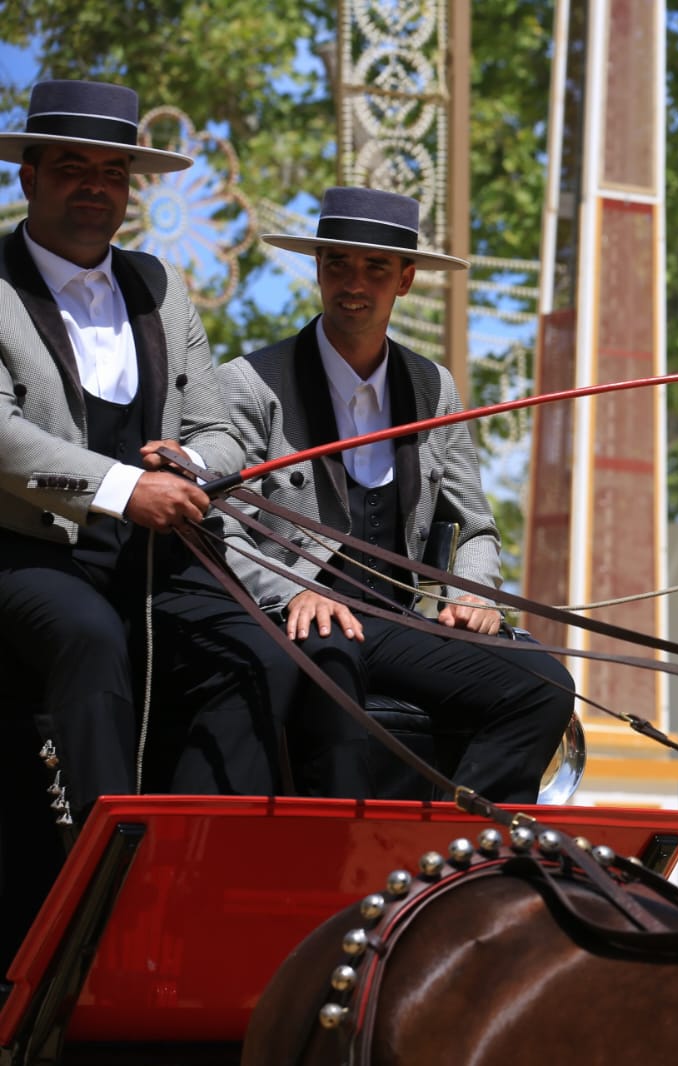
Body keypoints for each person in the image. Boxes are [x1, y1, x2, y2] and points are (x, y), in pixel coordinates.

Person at [0, 80, 298, 962]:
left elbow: (216, 426)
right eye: (72, 168)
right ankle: (101, 910)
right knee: (90, 639)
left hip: (154, 554)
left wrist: (193, 466)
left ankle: (196, 888)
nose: (95, 186)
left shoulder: (161, 287)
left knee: (258, 653)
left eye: (113, 171)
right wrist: (123, 487)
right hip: (25, 550)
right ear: (28, 178)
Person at [219, 185, 573, 803]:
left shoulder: (434, 388)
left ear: (404, 280)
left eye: (376, 268)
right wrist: (292, 592)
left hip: (393, 622)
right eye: (337, 263)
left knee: (544, 685)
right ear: (318, 270)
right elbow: (219, 524)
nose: (353, 283)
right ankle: (347, 848)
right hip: (299, 620)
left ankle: (459, 848)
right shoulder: (249, 384)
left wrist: (471, 593)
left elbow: (476, 526)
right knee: (331, 665)